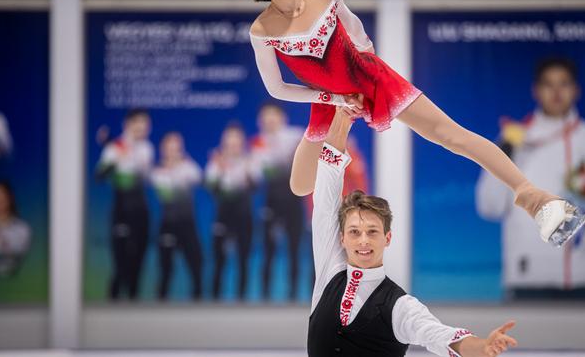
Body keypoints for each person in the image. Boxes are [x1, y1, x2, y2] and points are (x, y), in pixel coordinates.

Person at [246, 0, 585, 246]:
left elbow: (355, 28)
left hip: (371, 78)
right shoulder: (261, 29)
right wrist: (333, 99)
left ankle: (534, 197)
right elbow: (276, 87)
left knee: (451, 136)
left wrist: (366, 60)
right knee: (300, 184)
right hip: (330, 99)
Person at [292, 106, 517, 357]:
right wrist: (343, 119)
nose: (363, 240)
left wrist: (482, 347)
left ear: (387, 238)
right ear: (341, 238)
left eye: (372, 232)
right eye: (355, 232)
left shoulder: (400, 306)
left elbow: (439, 336)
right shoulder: (329, 272)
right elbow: (326, 191)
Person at [475, 57, 585, 301]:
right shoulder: (514, 139)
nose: (557, 92)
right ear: (536, 90)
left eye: (564, 84)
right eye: (548, 84)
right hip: (527, 278)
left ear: (576, 90)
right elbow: (488, 206)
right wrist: (503, 152)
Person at [96, 109, 153, 300]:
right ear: (128, 124)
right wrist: (114, 161)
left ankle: (133, 314)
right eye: (139, 123)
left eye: (146, 124)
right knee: (121, 266)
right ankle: (112, 307)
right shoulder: (113, 147)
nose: (143, 127)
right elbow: (99, 176)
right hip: (121, 211)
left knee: (138, 264)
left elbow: (145, 175)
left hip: (141, 212)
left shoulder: (147, 148)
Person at [251, 102, 306, 301]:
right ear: (260, 121)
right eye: (265, 117)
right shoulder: (258, 143)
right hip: (271, 202)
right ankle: (265, 296)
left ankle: (294, 296)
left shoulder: (295, 135)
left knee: (295, 249)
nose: (269, 120)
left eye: (272, 115)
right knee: (268, 249)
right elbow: (256, 175)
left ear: (282, 117)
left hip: (294, 201)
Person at [206, 123, 260, 301]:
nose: (233, 144)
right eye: (229, 140)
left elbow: (255, 186)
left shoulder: (249, 160)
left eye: (236, 140)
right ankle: (214, 299)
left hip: (244, 216)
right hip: (223, 216)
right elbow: (211, 188)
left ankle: (241, 299)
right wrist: (220, 170)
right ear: (224, 142)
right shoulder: (216, 162)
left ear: (241, 142)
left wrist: (247, 174)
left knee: (243, 259)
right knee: (219, 259)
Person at [151, 132, 203, 301]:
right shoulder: (157, 172)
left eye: (177, 148)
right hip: (168, 225)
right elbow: (165, 193)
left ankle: (199, 309)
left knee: (196, 267)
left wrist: (182, 163)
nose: (173, 152)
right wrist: (171, 171)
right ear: (163, 150)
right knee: (166, 270)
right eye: (170, 148)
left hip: (188, 225)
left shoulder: (188, 167)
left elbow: (197, 177)